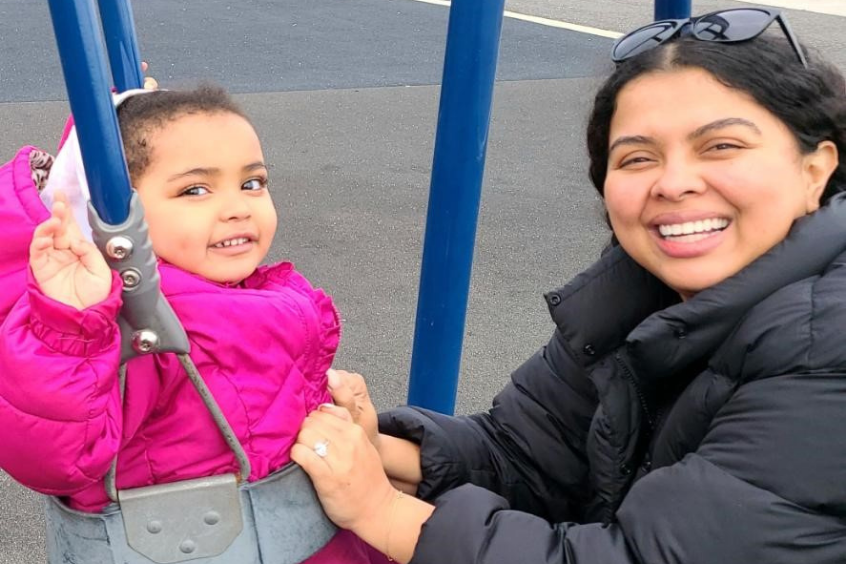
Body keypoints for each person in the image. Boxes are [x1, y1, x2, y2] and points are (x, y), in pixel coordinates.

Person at [292, 8, 846, 564]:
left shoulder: (829, 345)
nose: (674, 183)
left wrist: (382, 512)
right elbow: (528, 451)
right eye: (637, 157)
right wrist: (374, 449)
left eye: (721, 146)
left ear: (815, 169)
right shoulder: (635, 298)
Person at [0, 85, 374, 563]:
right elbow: (55, 457)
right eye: (195, 190)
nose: (238, 206)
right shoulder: (135, 323)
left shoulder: (231, 290)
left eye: (253, 182)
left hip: (296, 530)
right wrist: (69, 331)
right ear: (115, 215)